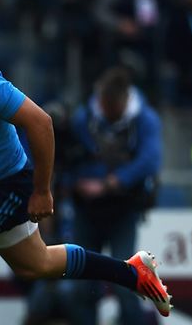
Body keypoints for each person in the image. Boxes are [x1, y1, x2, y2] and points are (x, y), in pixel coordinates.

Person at [0, 7, 171, 325]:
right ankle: (131, 272)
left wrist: (41, 190)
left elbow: (41, 122)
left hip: (5, 184)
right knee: (37, 264)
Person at [69, 66, 164, 325]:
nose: (107, 111)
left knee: (127, 281)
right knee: (82, 284)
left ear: (123, 101)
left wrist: (111, 182)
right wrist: (75, 182)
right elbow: (69, 153)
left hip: (123, 208)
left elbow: (150, 160)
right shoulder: (84, 117)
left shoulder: (144, 119)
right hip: (87, 210)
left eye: (112, 107)